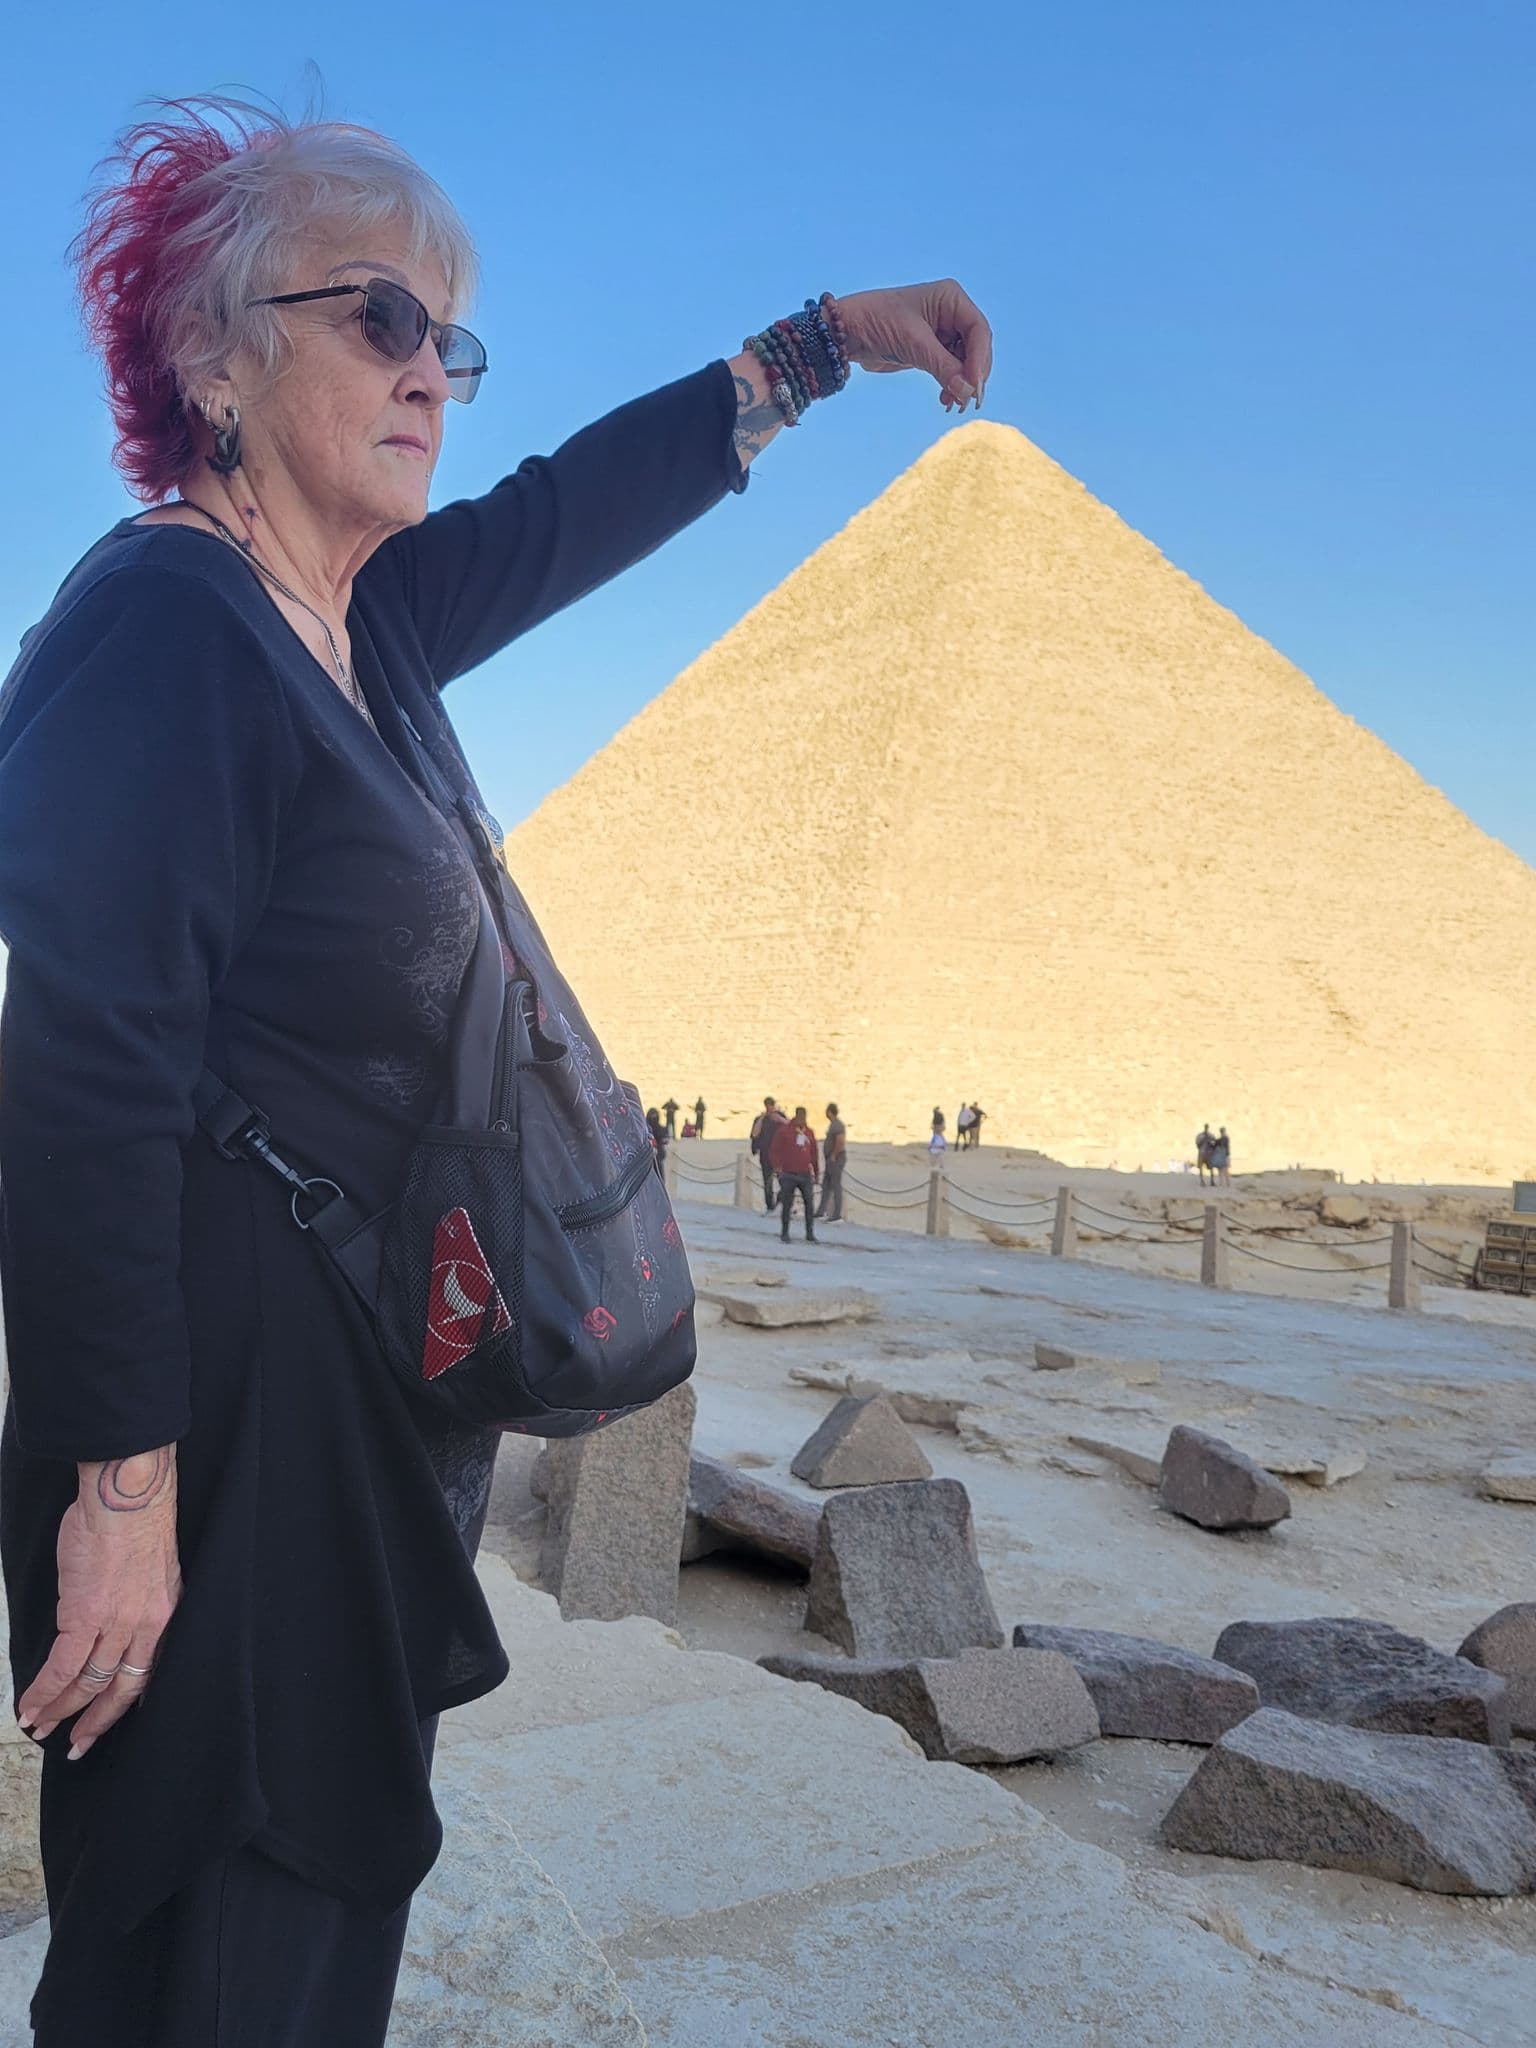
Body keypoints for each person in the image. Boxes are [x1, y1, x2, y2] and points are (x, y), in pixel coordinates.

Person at [0, 94, 993, 2047]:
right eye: (376, 316)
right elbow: (80, 1075)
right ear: (209, 350)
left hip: (353, 1437)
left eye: (449, 336)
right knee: (222, 1935)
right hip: (227, 1456)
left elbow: (567, 507)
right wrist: (120, 1492)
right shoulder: (165, 632)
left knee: (297, 1920)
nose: (429, 372)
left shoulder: (356, 633)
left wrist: (827, 344)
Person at [770, 1107, 820, 1242]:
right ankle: (784, 1232)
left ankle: (810, 1234)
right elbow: (775, 1149)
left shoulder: (809, 1132)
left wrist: (816, 1172)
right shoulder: (784, 1131)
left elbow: (814, 1153)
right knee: (787, 1204)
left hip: (805, 1174)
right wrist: (777, 1168)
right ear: (796, 1116)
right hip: (788, 1173)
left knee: (809, 1204)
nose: (802, 1120)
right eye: (801, 1117)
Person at [751, 1095, 786, 1211]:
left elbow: (791, 1127)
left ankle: (780, 1201)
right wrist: (762, 1118)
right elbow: (755, 1134)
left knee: (784, 1181)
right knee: (767, 1183)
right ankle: (770, 1206)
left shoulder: (781, 1117)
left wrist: (779, 1118)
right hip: (765, 1155)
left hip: (780, 1156)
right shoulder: (760, 1119)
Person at [817, 1103, 848, 1221]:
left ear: (830, 1112)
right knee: (826, 1185)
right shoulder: (833, 1125)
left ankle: (836, 1214)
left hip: (835, 1159)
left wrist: (834, 1155)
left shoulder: (838, 1125)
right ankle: (821, 1210)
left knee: (835, 1186)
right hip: (830, 1159)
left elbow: (840, 1141)